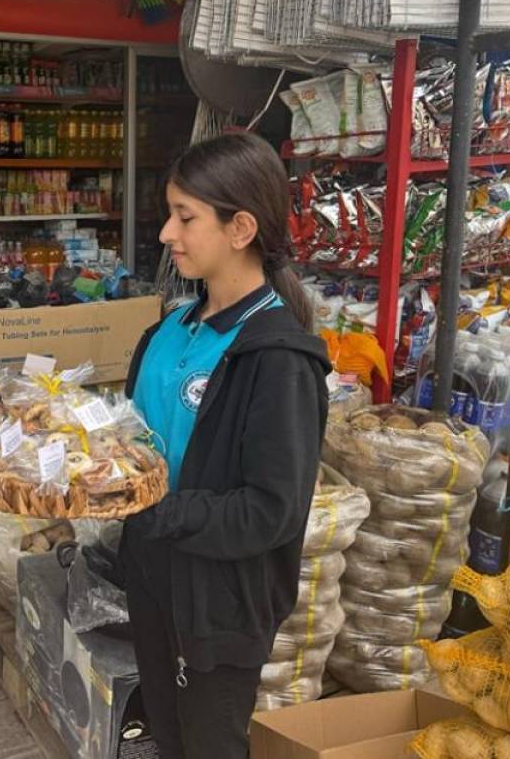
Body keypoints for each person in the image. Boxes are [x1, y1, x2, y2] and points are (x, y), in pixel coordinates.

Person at [119, 132, 330, 758]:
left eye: (185, 217)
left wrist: (153, 512)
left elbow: (271, 510)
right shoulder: (170, 329)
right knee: (167, 731)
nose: (167, 233)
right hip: (154, 576)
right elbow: (132, 439)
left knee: (208, 744)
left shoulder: (278, 360)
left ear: (240, 228)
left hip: (218, 604)